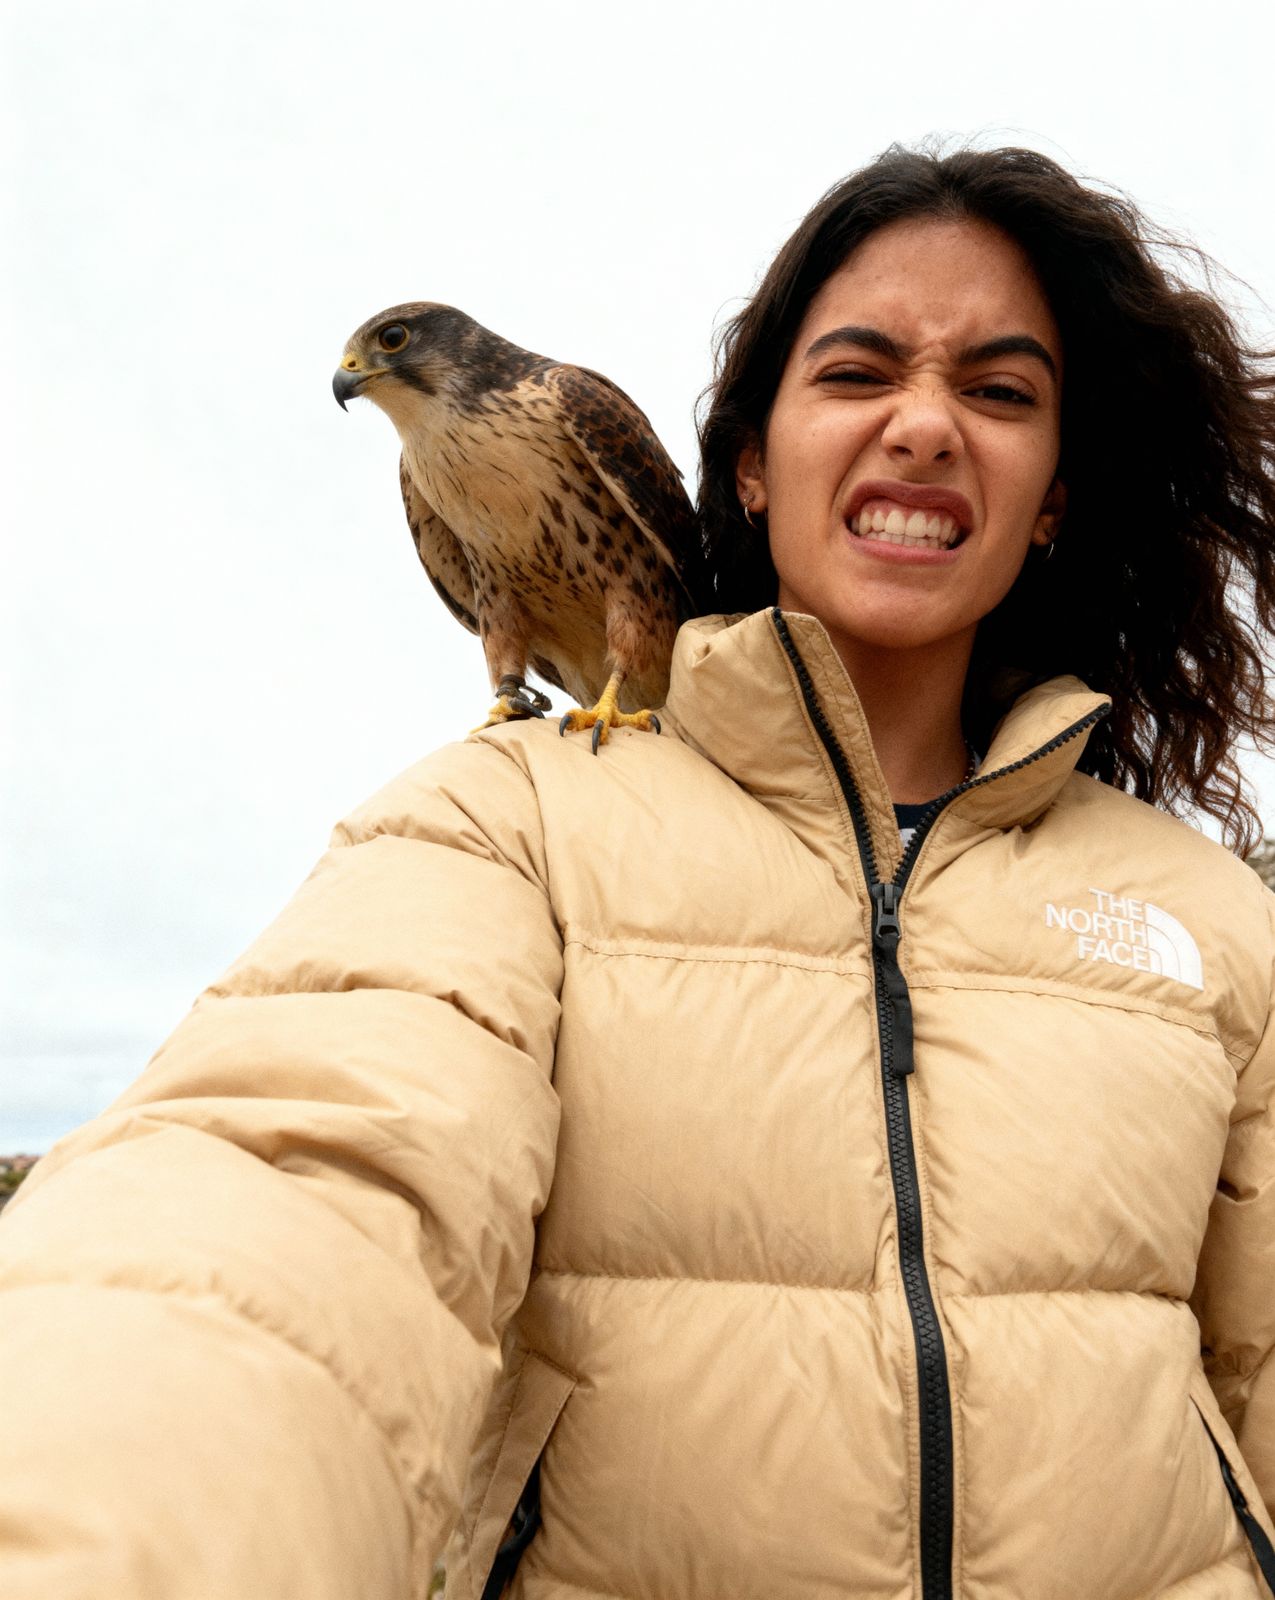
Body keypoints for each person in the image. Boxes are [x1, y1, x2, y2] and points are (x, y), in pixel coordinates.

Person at [2, 143, 1275, 1600]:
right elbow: (298, 1170)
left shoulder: (1213, 918)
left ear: (1054, 496)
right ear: (752, 466)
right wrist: (91, 1514)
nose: (924, 426)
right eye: (857, 374)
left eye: (998, 393)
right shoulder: (510, 826)